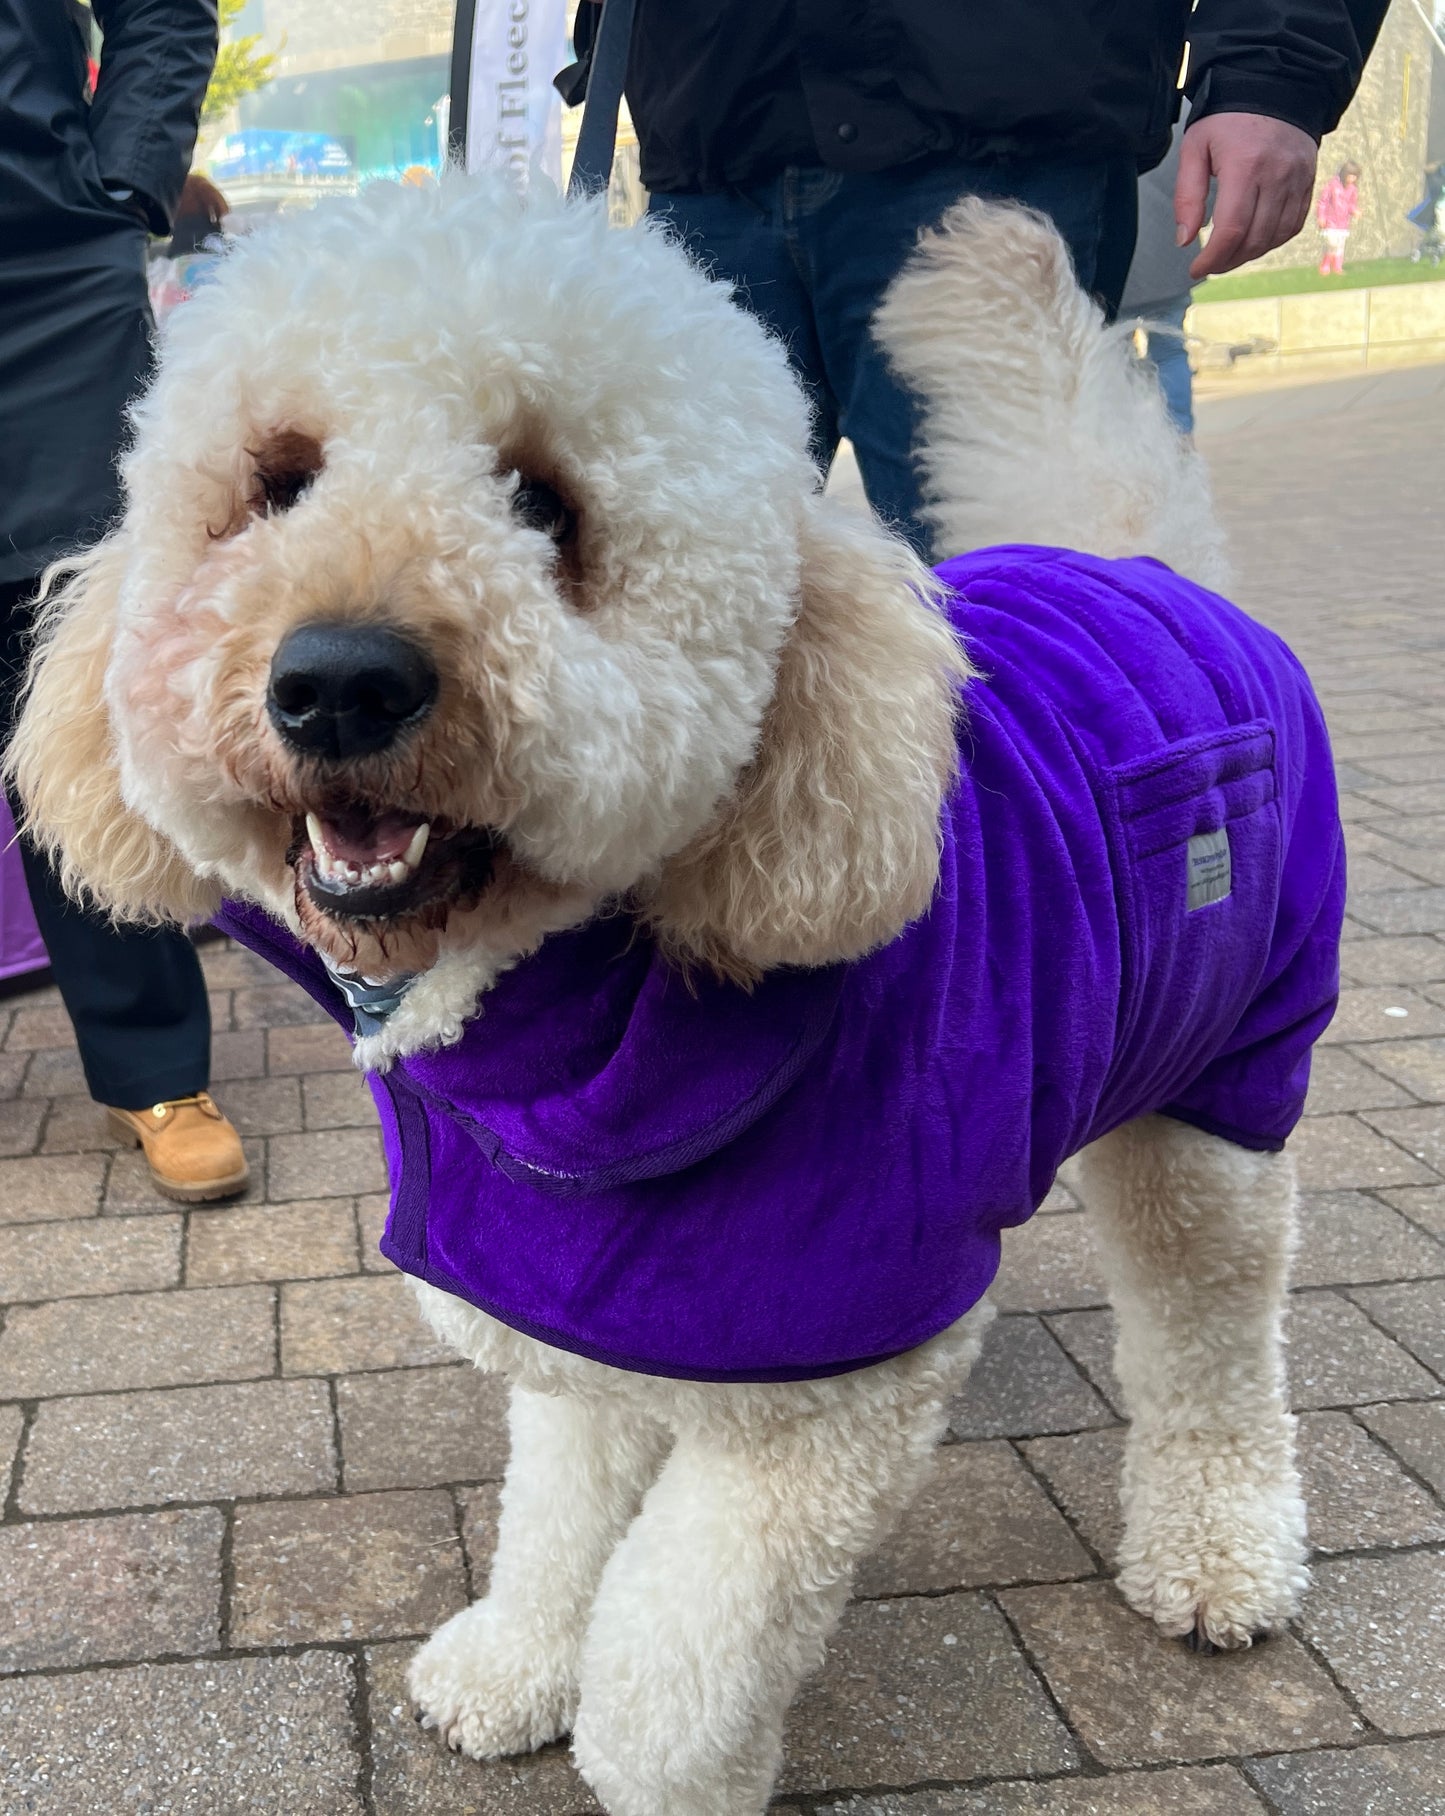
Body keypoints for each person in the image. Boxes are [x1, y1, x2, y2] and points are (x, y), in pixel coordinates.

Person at [562, 0, 1390, 553]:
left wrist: (1273, 68)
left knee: (1001, 640)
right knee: (668, 620)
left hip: (997, 133)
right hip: (707, 133)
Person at [0, 0, 250, 1202]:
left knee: (69, 677)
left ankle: (153, 1067)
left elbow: (160, 10)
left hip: (42, 269)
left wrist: (127, 182)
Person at [1317, 159, 1363, 274]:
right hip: (1331, 220)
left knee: (1340, 245)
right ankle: (1326, 263)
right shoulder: (1333, 185)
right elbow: (1323, 201)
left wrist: (1355, 211)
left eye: (1354, 177)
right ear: (1344, 174)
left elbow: (1351, 204)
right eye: (1350, 176)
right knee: (1332, 243)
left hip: (1343, 222)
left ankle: (1337, 266)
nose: (1352, 179)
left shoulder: (1353, 189)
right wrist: (1321, 216)